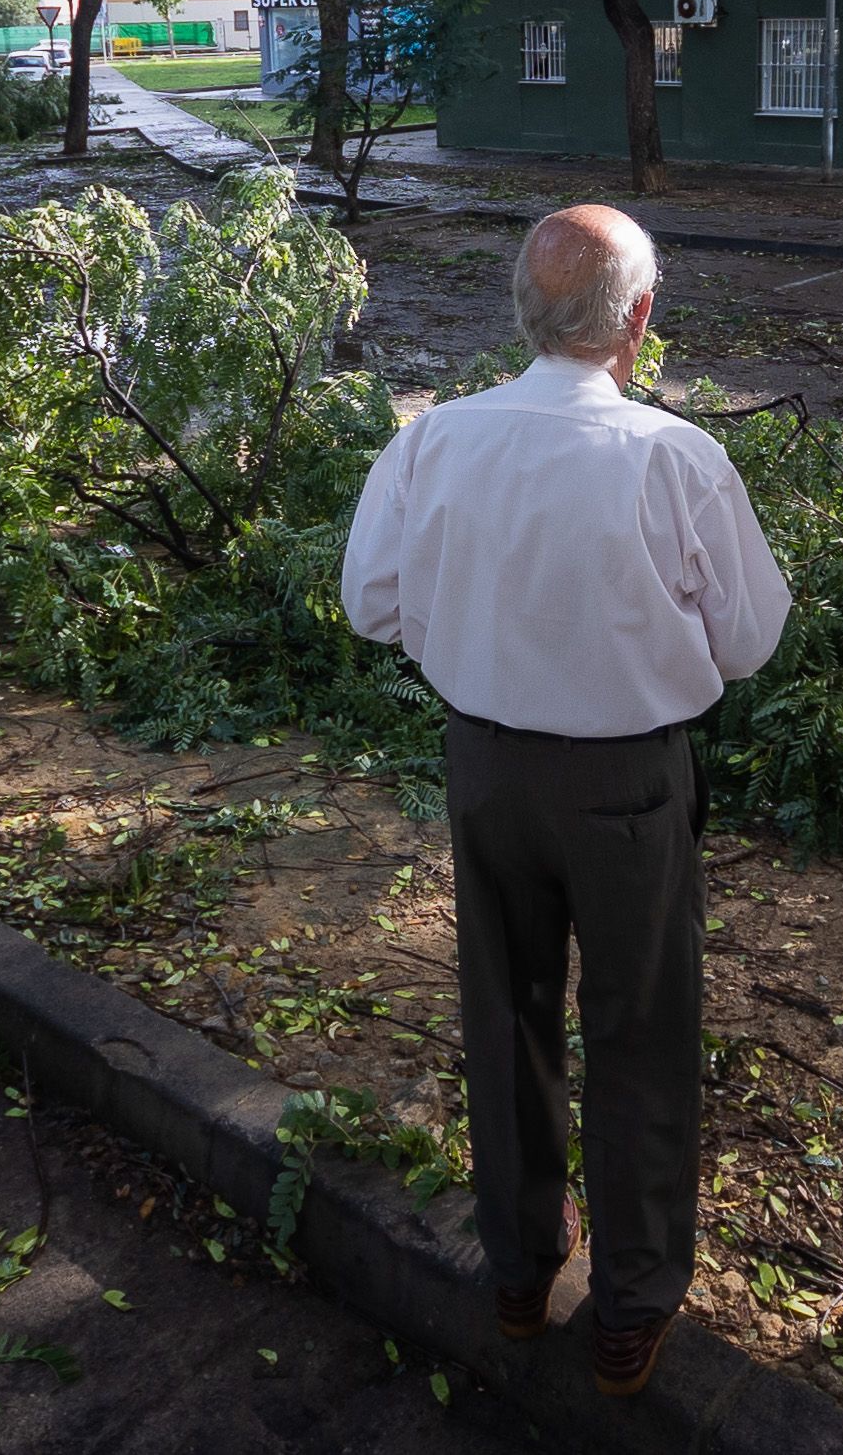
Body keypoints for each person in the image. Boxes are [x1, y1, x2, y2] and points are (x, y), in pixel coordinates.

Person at [340, 205, 793, 1398]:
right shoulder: (671, 456)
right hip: (625, 786)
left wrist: (486, 626)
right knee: (640, 1031)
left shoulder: (434, 442)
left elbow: (368, 602)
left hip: (485, 769)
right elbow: (746, 640)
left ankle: (517, 1271)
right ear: (638, 318)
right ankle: (629, 1308)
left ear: (521, 314)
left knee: (505, 1011)